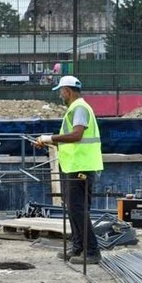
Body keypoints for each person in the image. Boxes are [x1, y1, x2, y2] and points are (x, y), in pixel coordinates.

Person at [36, 75, 103, 265]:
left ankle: (91, 251)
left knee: (78, 209)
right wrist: (51, 143)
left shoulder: (79, 108)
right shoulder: (75, 109)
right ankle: (78, 247)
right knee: (74, 209)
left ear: (67, 91)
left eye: (61, 91)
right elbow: (72, 140)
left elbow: (77, 135)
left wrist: (50, 138)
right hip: (74, 165)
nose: (60, 95)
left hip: (81, 166)